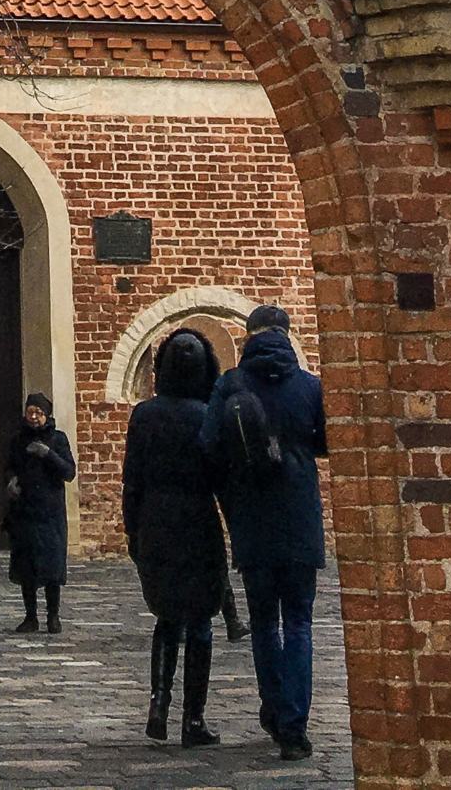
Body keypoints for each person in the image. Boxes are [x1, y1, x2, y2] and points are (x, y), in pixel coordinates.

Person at [203, 304, 327, 763]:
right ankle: (294, 726)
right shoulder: (310, 386)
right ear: (287, 335)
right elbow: (326, 442)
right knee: (299, 622)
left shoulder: (230, 384)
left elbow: (209, 444)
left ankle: (274, 709)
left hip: (251, 517)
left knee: (263, 622)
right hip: (299, 516)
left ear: (249, 335)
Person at [122, 328, 228, 747]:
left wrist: (133, 529)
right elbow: (222, 480)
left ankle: (159, 704)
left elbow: (132, 481)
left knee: (167, 618)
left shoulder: (144, 416)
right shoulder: (207, 415)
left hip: (156, 522)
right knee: (200, 621)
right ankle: (193, 719)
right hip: (197, 521)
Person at [2, 390, 76, 632]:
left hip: (50, 513)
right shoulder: (18, 440)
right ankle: (30, 616)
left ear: (47, 415)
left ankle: (53, 616)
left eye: (39, 413)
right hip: (25, 511)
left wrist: (48, 454)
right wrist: (11, 480)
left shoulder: (58, 439)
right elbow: (9, 466)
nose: (34, 417)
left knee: (52, 567)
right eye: (30, 412)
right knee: (27, 567)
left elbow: (69, 471)